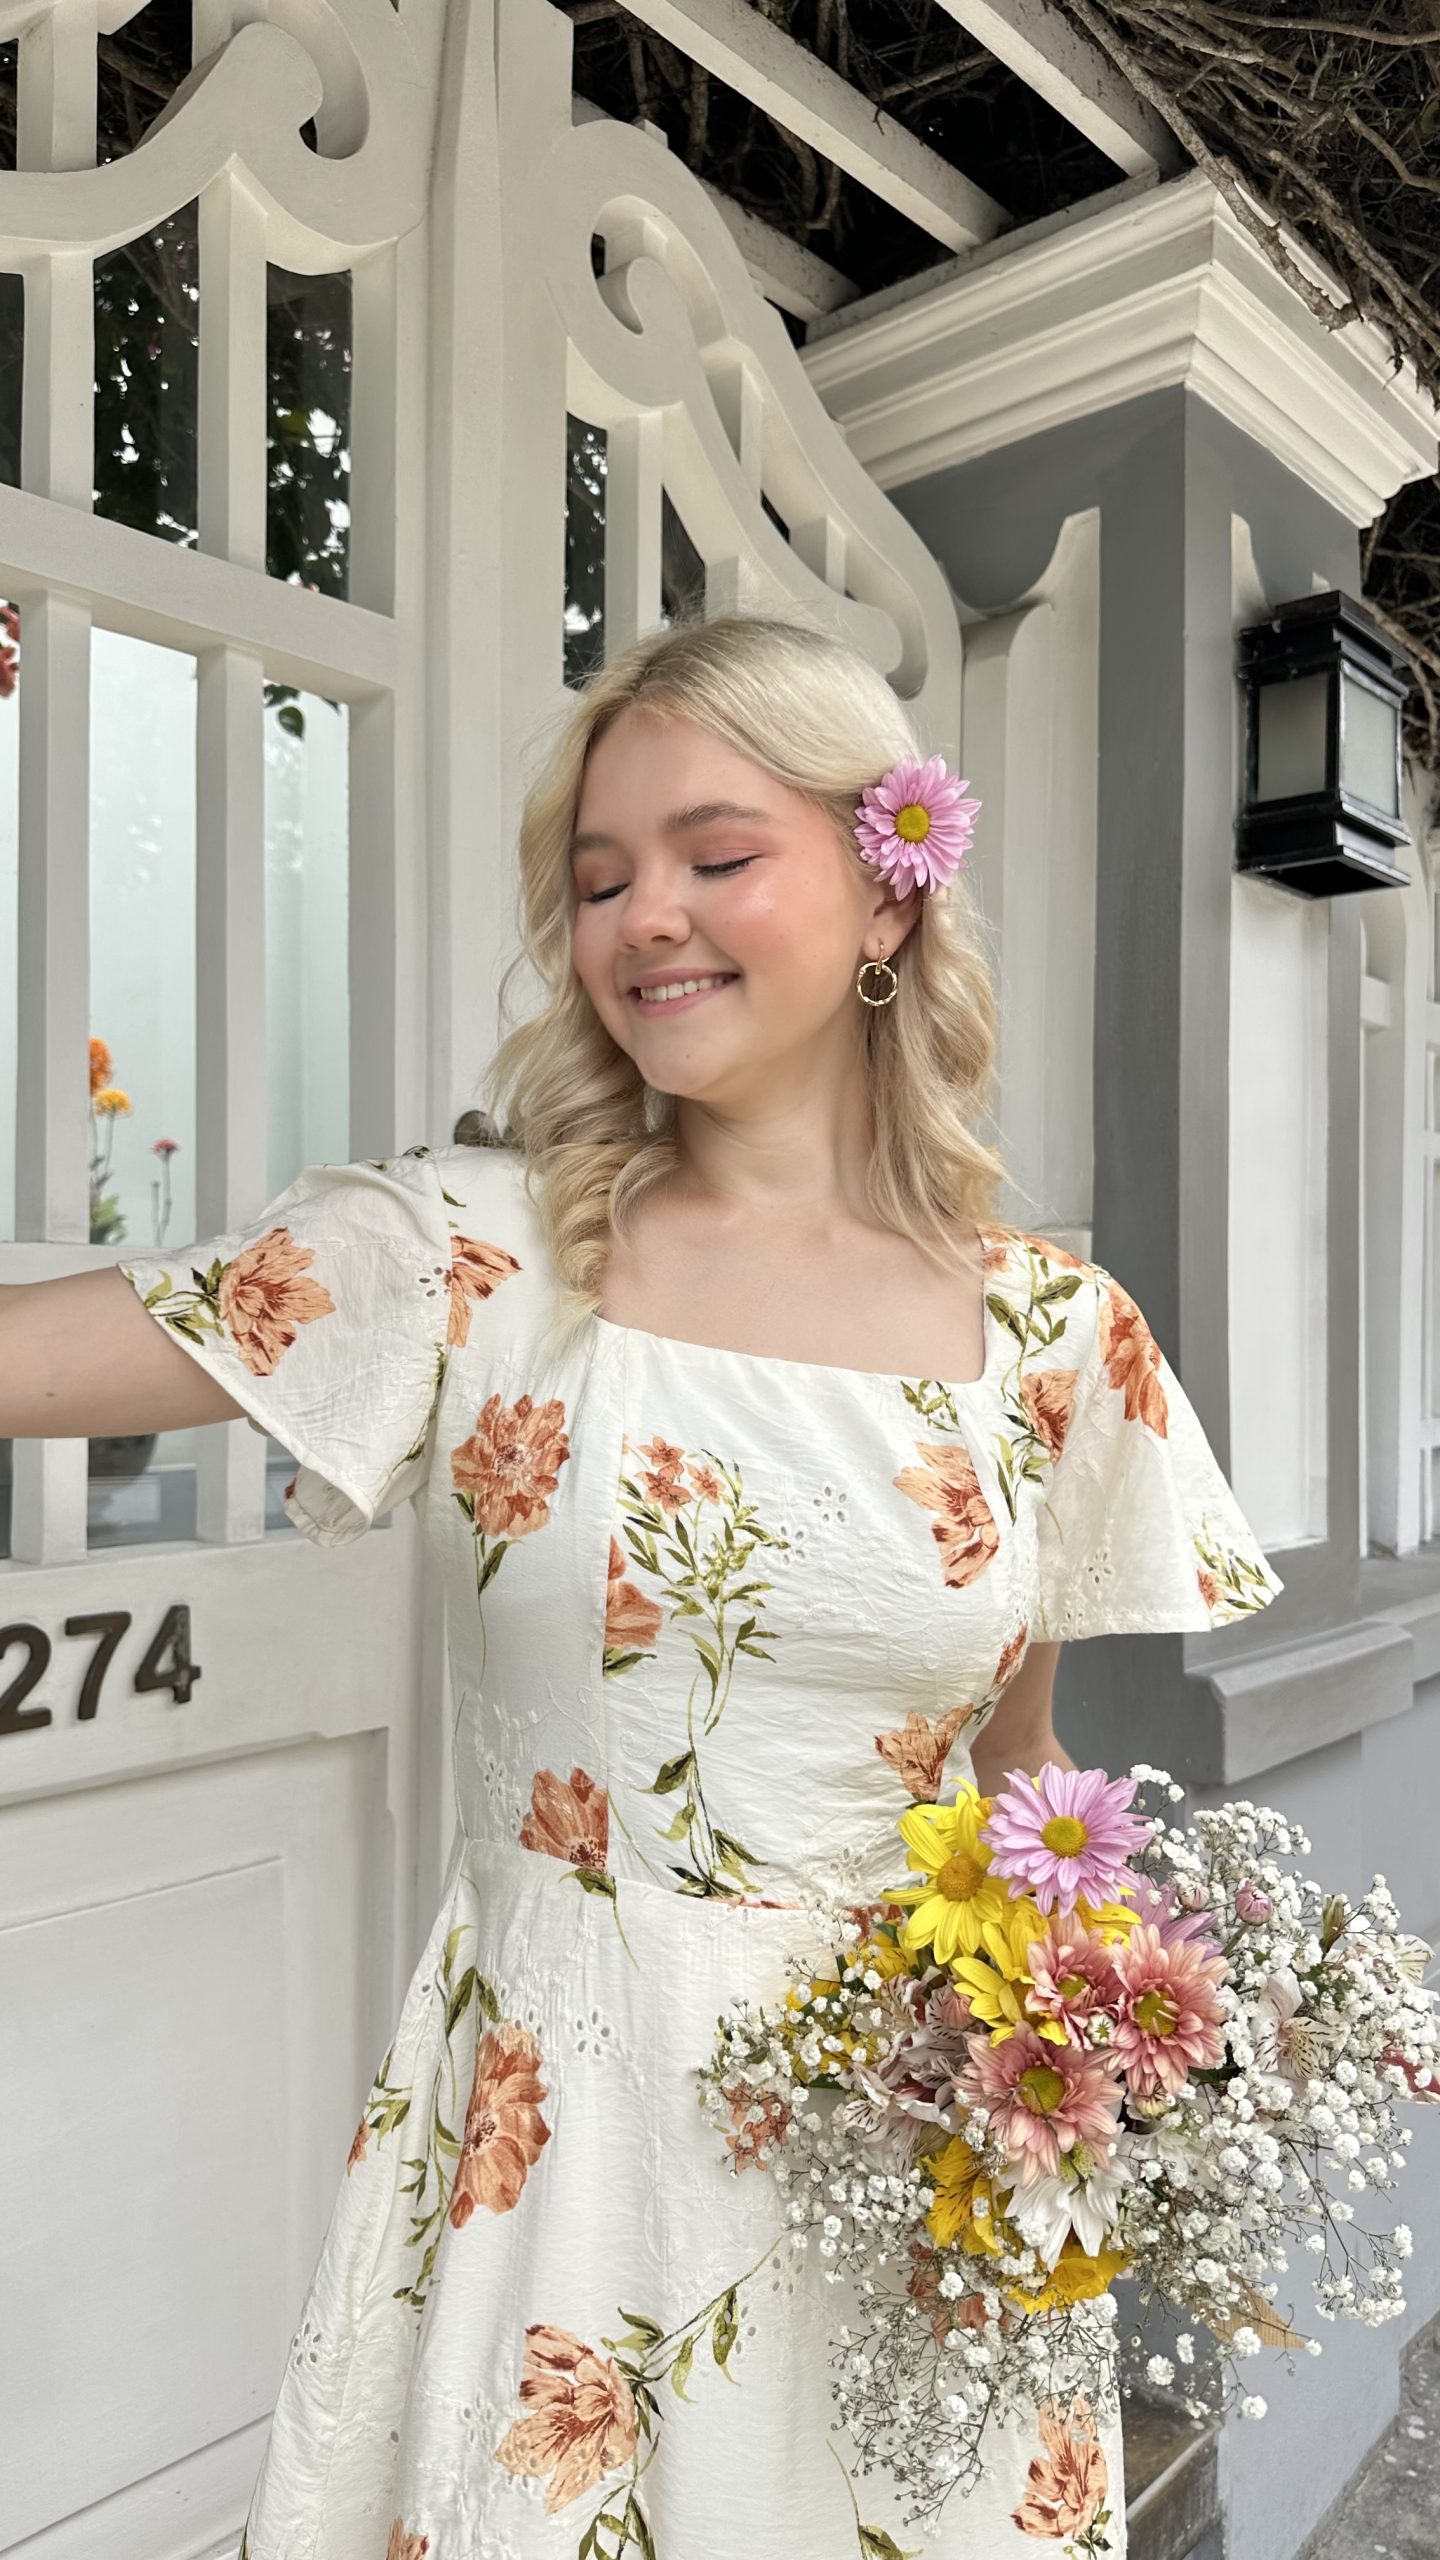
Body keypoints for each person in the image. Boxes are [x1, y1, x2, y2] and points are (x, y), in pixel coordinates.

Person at [0, 612, 1283, 2556]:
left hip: (910, 2171)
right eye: (598, 879)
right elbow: (35, 1355)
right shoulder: (478, 1254)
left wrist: (1101, 2042)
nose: (642, 919)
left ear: (884, 883)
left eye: (712, 852)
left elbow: (1026, 1792)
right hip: (567, 2180)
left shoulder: (1053, 1335)